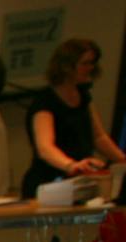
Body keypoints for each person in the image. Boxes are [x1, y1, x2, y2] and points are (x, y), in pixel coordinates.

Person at [21, 38, 126, 196]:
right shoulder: (45, 102)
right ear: (66, 66)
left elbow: (98, 137)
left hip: (79, 182)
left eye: (92, 63)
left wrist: (122, 159)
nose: (90, 68)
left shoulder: (83, 97)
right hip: (49, 182)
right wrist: (71, 165)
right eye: (85, 63)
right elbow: (45, 148)